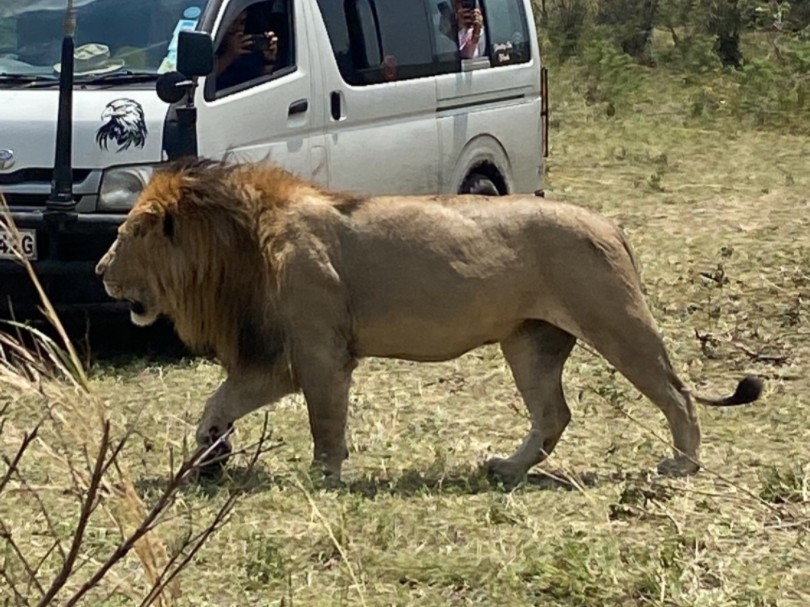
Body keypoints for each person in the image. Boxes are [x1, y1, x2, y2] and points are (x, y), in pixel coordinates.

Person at [214, 8, 279, 91]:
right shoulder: (210, 47)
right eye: (233, 22)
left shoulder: (249, 51)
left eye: (242, 23)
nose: (237, 28)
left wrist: (269, 60)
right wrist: (229, 56)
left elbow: (265, 82)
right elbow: (204, 79)